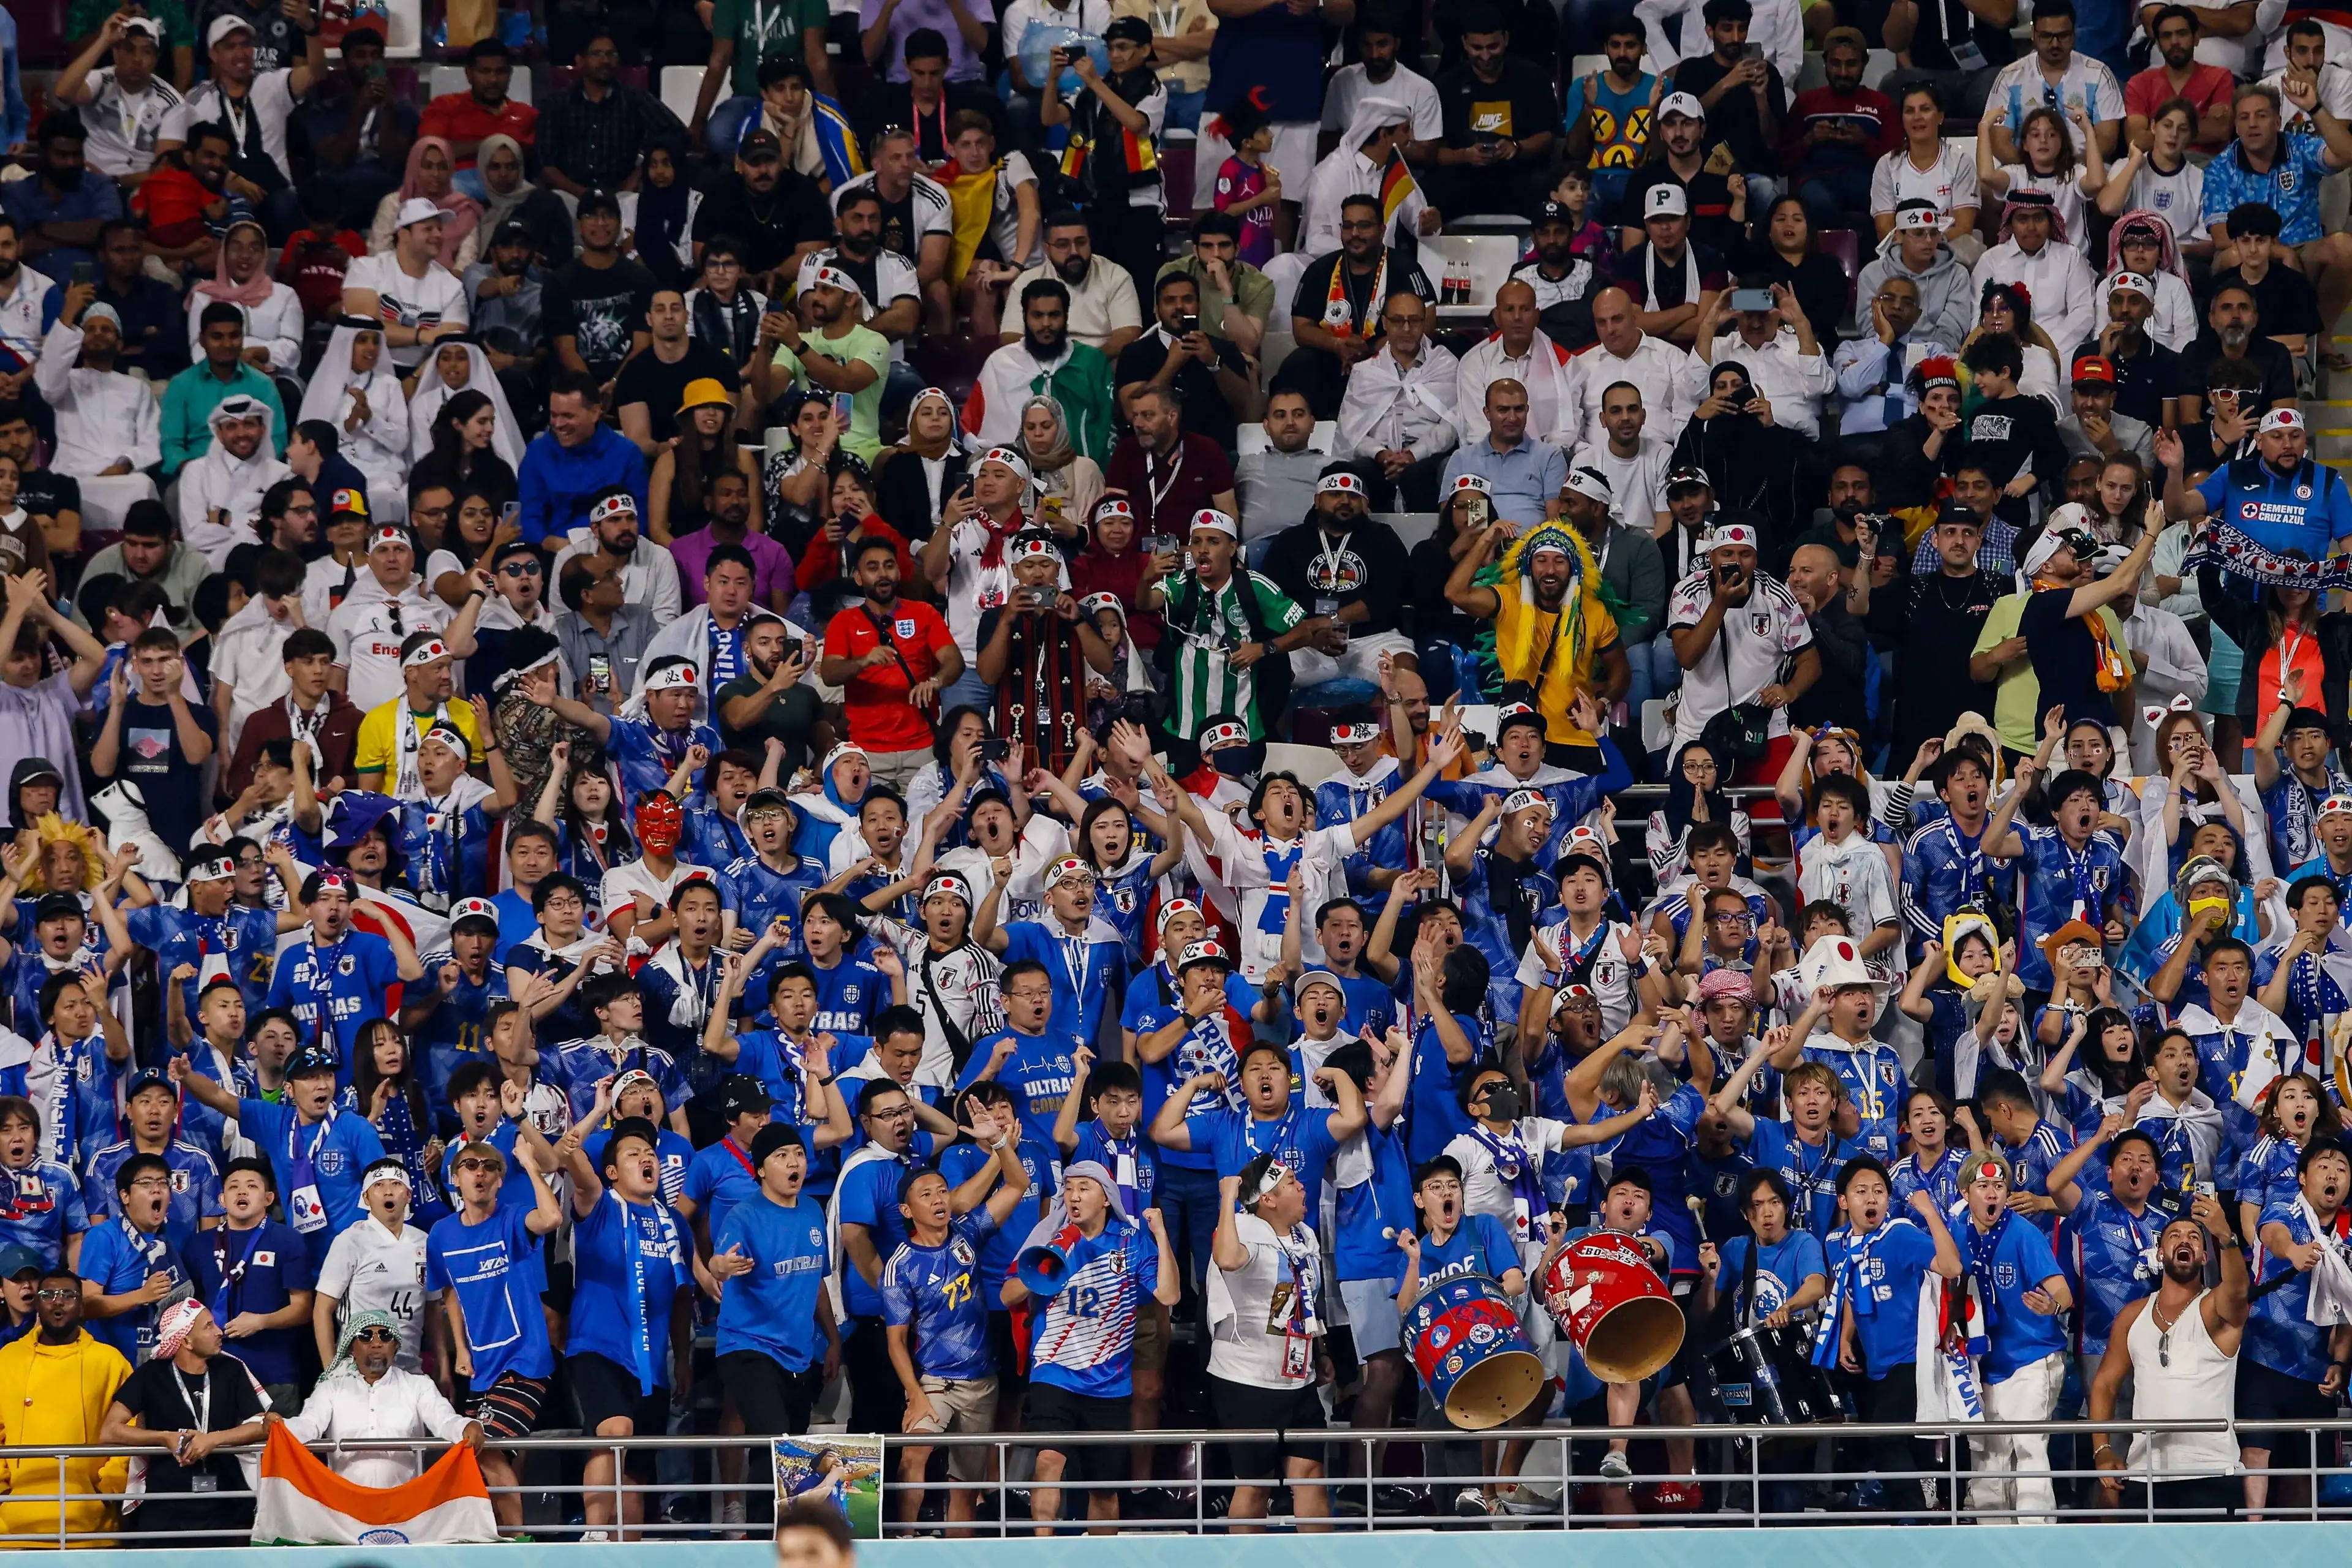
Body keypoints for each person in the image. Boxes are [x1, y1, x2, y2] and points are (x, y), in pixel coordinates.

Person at [1003, 1160, 1180, 1534]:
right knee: (1049, 1462)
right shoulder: (1051, 1236)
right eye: (1068, 1188)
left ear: (1106, 1198)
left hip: (1109, 1382)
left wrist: (1162, 1237)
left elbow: (1169, 1293)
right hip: (1054, 1372)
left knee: (1104, 1490)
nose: (1073, 1196)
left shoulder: (1130, 1242)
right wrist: (1048, 1263)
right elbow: (1008, 1295)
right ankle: (1042, 1553)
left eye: (1084, 1187)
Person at [554, 1098, 693, 1540]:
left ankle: (626, 1549)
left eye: (650, 1153)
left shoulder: (675, 1223)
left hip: (652, 1363)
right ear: (612, 1172)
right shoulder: (598, 1204)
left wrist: (684, 1358)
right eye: (633, 1154)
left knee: (635, 1464)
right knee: (614, 1430)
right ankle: (596, 1537)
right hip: (598, 1346)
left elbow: (683, 1295)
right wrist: (594, 1115)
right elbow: (569, 1154)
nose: (646, 1158)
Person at [2086, 1194, 2245, 1520]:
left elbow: (2238, 1292)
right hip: (2145, 1472)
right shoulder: (2133, 1315)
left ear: (2203, 1256)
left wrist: (2226, 1240)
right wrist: (2102, 1449)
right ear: (2160, 1253)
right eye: (2174, 1236)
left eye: (2194, 1237)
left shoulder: (2216, 1308)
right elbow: (2103, 1384)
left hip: (2212, 1472)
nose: (2184, 1240)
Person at [98, 1299, 271, 1539]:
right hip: (166, 1504)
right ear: (186, 1341)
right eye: (209, 1327)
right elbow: (110, 1431)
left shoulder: (231, 1369)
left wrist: (213, 1440)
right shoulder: (151, 1374)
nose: (219, 1331)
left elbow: (262, 1426)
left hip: (228, 1503)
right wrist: (164, 1438)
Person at [281, 1307, 484, 1485]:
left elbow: (445, 1420)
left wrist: (465, 1427)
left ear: (395, 1346)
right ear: (352, 1347)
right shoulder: (331, 1389)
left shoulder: (418, 1385)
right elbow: (309, 1425)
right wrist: (279, 1428)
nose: (377, 1343)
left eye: (385, 1336)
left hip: (406, 1508)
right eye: (365, 1335)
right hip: (344, 1511)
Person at [0, 1264, 130, 1541]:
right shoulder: (6, 1360)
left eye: (68, 1295)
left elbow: (130, 1431)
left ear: (82, 1307)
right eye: (48, 1294)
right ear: (37, 1305)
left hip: (93, 1526)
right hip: (12, 1526)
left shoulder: (110, 1361)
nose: (58, 1301)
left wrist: (108, 1489)